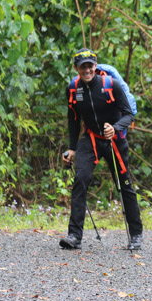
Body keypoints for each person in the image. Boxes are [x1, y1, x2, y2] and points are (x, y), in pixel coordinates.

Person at [61, 48, 143, 250]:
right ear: (76, 68)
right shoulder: (73, 89)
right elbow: (73, 119)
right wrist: (72, 148)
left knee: (124, 184)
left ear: (95, 67)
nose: (87, 70)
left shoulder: (111, 85)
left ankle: (136, 235)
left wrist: (114, 128)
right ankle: (74, 236)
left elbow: (128, 114)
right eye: (83, 67)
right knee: (80, 179)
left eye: (90, 65)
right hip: (91, 139)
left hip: (115, 139)